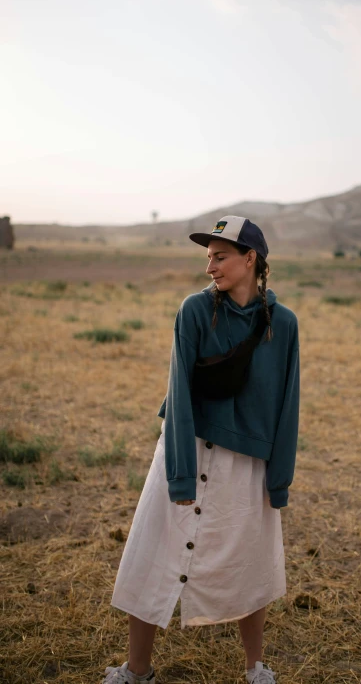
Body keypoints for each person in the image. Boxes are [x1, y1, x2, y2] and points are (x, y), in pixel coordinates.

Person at [104, 215, 300, 684]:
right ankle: (137, 671)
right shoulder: (193, 310)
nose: (210, 266)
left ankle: (256, 669)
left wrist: (279, 480)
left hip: (247, 463)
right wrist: (180, 473)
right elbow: (179, 392)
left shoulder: (285, 324)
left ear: (251, 258)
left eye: (220, 256)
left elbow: (287, 405)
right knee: (153, 553)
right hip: (186, 446)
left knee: (250, 565)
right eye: (207, 257)